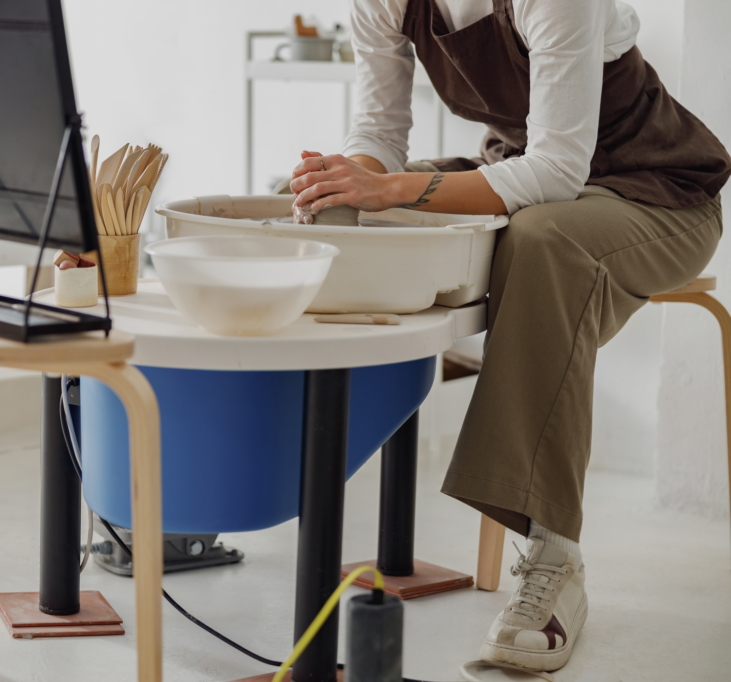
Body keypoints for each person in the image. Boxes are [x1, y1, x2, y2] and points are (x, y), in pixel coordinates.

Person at [289, 0, 729, 673]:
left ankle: (555, 557)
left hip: (656, 191)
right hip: (526, 173)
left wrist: (396, 188)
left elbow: (556, 171)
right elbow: (378, 132)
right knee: (344, 208)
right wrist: (353, 181)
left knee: (543, 244)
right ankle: (286, 462)